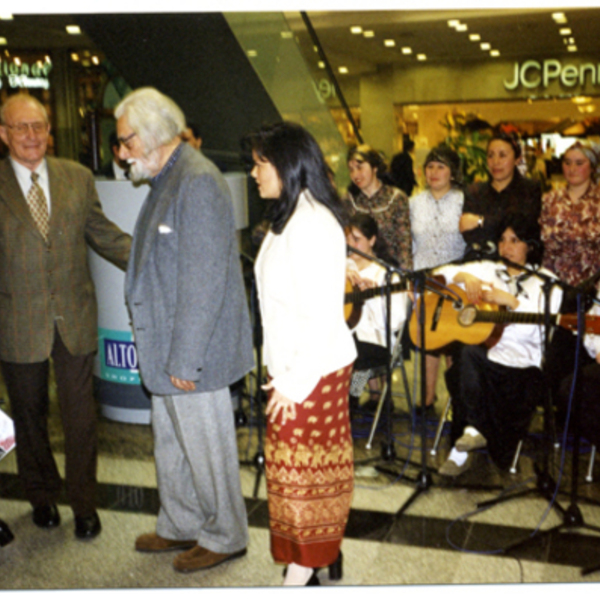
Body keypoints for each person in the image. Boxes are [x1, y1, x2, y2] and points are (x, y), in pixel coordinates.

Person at [115, 88, 253, 573]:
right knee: (172, 441)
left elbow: (204, 279)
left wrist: (185, 359)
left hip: (194, 353)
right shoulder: (167, 176)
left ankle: (226, 534)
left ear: (152, 136)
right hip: (169, 346)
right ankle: (180, 523)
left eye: (126, 141)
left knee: (206, 447)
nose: (122, 152)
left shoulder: (196, 181)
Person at [0, 93, 132, 539]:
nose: (32, 136)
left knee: (81, 419)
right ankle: (41, 496)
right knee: (29, 416)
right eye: (21, 128)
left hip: (73, 317)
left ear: (49, 130)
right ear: (3, 134)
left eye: (39, 126)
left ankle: (85, 503)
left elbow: (104, 235)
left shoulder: (76, 177)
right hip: (17, 321)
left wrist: (153, 259)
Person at [247, 121, 357, 586]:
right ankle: (318, 556)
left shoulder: (311, 223)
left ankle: (303, 570)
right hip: (295, 366)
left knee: (303, 477)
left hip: (311, 371)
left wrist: (291, 384)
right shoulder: (288, 215)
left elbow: (320, 316)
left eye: (260, 163)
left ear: (288, 165)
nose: (253, 173)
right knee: (296, 474)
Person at [439, 216, 562, 476]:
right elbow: (440, 274)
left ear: (529, 246)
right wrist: (464, 277)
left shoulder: (548, 282)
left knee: (472, 369)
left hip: (524, 364)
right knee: (466, 355)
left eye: (515, 241)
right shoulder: (489, 269)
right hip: (490, 354)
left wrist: (513, 302)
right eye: (503, 240)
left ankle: (470, 437)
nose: (506, 247)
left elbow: (540, 330)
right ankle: (470, 435)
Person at [540, 141, 600, 409]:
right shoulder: (550, 200)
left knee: (583, 353)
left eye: (579, 163)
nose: (572, 168)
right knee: (553, 354)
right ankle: (557, 414)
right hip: (556, 288)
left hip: (592, 292)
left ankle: (580, 414)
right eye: (567, 163)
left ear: (592, 167)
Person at [409, 146, 467, 411]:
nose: (434, 172)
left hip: (454, 281)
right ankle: (427, 398)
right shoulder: (414, 202)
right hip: (423, 280)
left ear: (453, 172)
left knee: (452, 343)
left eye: (441, 167)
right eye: (430, 166)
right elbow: (409, 243)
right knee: (427, 341)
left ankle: (457, 400)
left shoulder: (463, 201)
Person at [346, 214, 409, 411]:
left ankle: (351, 399)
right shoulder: (342, 269)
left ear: (372, 240)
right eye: (347, 240)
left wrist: (373, 298)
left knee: (350, 355)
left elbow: (395, 322)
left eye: (356, 240)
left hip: (377, 342)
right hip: (346, 337)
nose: (350, 245)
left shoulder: (386, 275)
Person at [460, 129, 541, 260]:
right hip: (480, 265)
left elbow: (525, 228)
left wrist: (481, 221)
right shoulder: (474, 192)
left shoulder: (530, 189)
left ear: (517, 159)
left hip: (517, 266)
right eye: (491, 155)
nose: (495, 162)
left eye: (502, 155)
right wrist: (504, 221)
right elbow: (468, 233)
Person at [343, 144, 412, 271]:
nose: (355, 174)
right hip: (358, 272)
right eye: (351, 169)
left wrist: (405, 278)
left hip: (390, 272)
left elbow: (404, 245)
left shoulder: (396, 198)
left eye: (359, 167)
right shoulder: (348, 200)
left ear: (374, 168)